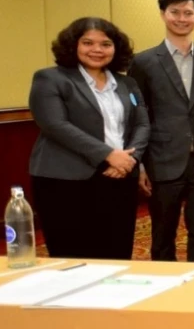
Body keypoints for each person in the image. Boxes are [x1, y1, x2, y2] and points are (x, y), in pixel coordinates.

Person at [27, 17, 150, 260]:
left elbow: (142, 124)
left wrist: (129, 159)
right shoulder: (50, 79)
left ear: (116, 48)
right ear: (73, 45)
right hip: (66, 181)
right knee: (73, 256)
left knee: (117, 252)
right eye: (88, 43)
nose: (97, 50)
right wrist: (108, 155)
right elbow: (55, 125)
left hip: (120, 175)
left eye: (106, 44)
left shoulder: (127, 83)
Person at [129, 0, 194, 262]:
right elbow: (137, 115)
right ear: (163, 15)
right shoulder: (143, 62)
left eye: (188, 13)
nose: (182, 19)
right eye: (175, 12)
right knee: (162, 232)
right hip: (162, 160)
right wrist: (140, 165)